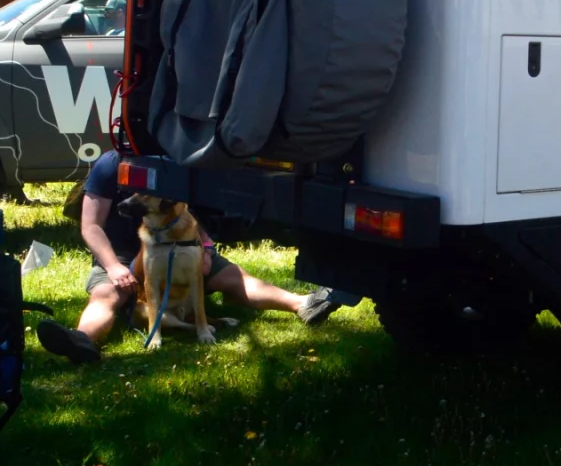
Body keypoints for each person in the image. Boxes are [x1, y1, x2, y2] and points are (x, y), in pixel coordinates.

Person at [37, 150, 350, 362]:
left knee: (233, 277)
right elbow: (90, 226)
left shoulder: (179, 162)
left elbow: (194, 215)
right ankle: (81, 340)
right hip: (120, 255)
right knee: (106, 293)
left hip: (180, 244)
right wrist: (113, 266)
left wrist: (208, 250)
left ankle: (302, 304)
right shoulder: (110, 164)